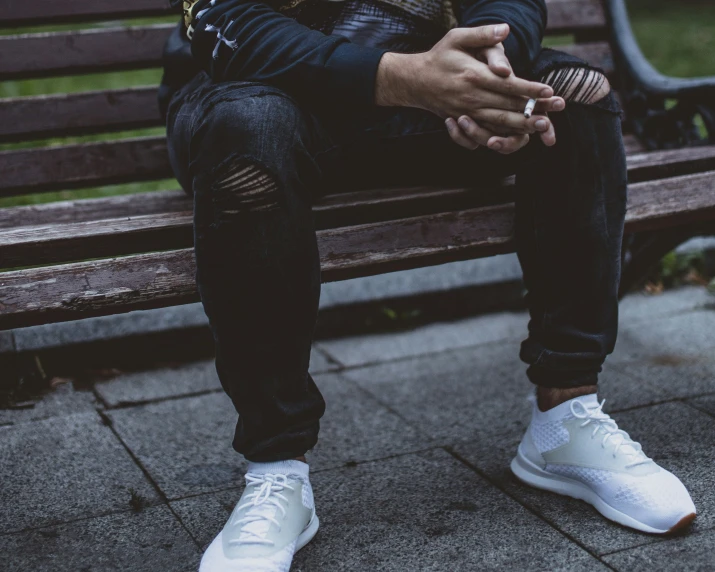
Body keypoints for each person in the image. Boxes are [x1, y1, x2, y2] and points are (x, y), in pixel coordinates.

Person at [160, 0, 697, 569]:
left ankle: (566, 420)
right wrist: (406, 78)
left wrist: (491, 78)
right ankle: (276, 471)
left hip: (436, 104)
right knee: (246, 130)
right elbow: (237, 27)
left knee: (575, 93)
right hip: (266, 97)